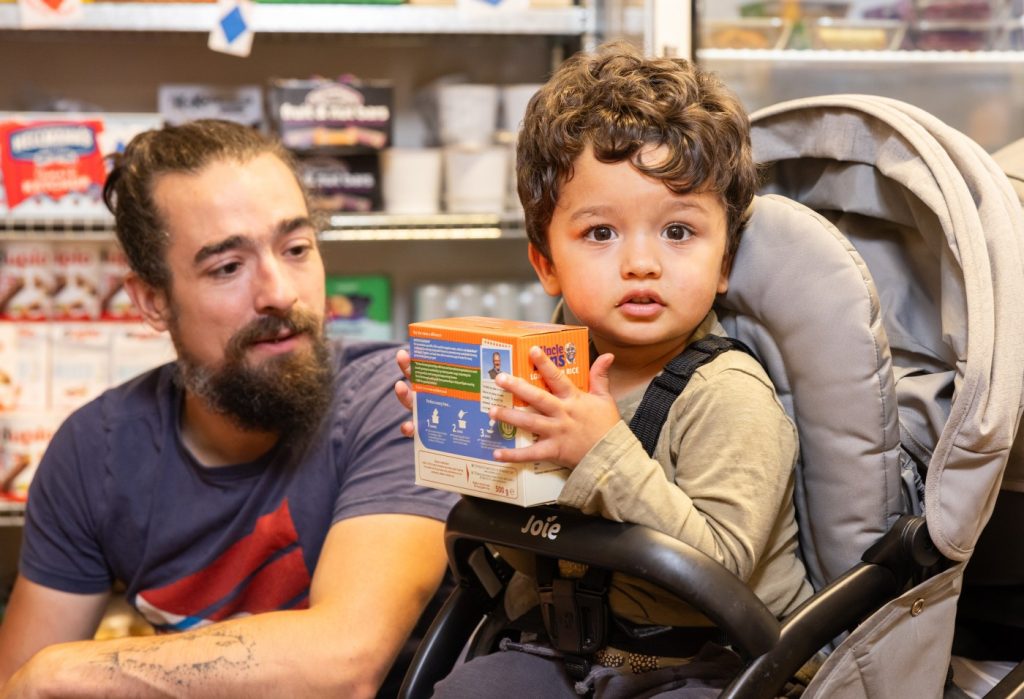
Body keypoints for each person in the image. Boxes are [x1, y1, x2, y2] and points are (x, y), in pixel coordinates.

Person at [397, 42, 813, 697]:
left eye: (678, 232)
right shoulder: (540, 373)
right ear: (545, 263)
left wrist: (602, 453)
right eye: (601, 234)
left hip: (711, 665)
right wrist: (463, 437)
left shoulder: (729, 396)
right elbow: (522, 553)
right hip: (558, 649)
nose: (642, 263)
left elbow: (721, 569)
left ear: (724, 260)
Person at [0, 120, 457, 699]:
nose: (279, 293)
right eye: (227, 268)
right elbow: (16, 684)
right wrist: (43, 676)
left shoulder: (398, 400)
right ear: (153, 300)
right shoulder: (96, 452)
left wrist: (69, 671)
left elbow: (345, 664)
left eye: (296, 249)